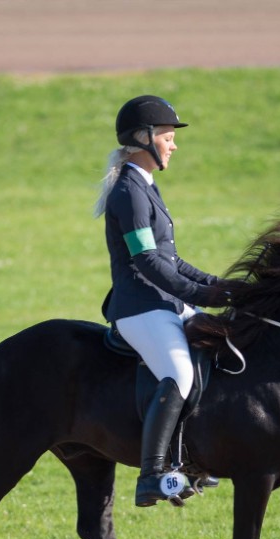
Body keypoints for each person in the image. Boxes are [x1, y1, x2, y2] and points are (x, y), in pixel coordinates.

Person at [95, 95, 229, 507]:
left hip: (162, 302)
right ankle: (152, 474)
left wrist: (221, 286)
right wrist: (200, 294)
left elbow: (171, 259)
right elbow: (148, 262)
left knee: (220, 344)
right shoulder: (129, 193)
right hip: (140, 307)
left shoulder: (145, 187)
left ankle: (191, 459)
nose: (174, 146)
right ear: (144, 139)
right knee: (179, 374)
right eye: (168, 138)